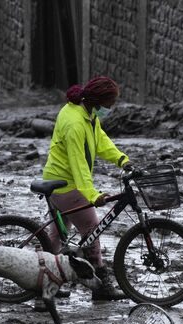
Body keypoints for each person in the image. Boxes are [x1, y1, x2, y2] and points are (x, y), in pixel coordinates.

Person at [42, 76, 132, 301]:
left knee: (54, 238)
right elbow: (78, 163)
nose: (112, 107)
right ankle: (101, 288)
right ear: (99, 101)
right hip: (66, 184)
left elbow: (100, 140)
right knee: (92, 228)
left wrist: (122, 159)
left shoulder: (87, 113)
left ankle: (41, 282)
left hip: (56, 178)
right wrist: (92, 195)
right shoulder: (75, 123)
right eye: (111, 102)